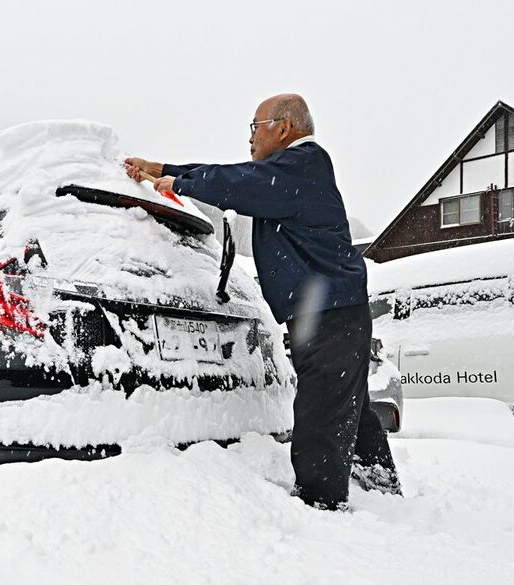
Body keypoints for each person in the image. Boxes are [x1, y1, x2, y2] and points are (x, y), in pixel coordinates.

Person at [125, 94, 400, 511]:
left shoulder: (303, 164)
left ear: (283, 128)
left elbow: (237, 183)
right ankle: (377, 480)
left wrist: (177, 183)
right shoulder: (292, 173)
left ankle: (320, 504)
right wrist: (164, 171)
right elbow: (236, 177)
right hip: (336, 311)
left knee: (321, 411)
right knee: (345, 400)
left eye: (255, 127)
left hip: (330, 313)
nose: (250, 138)